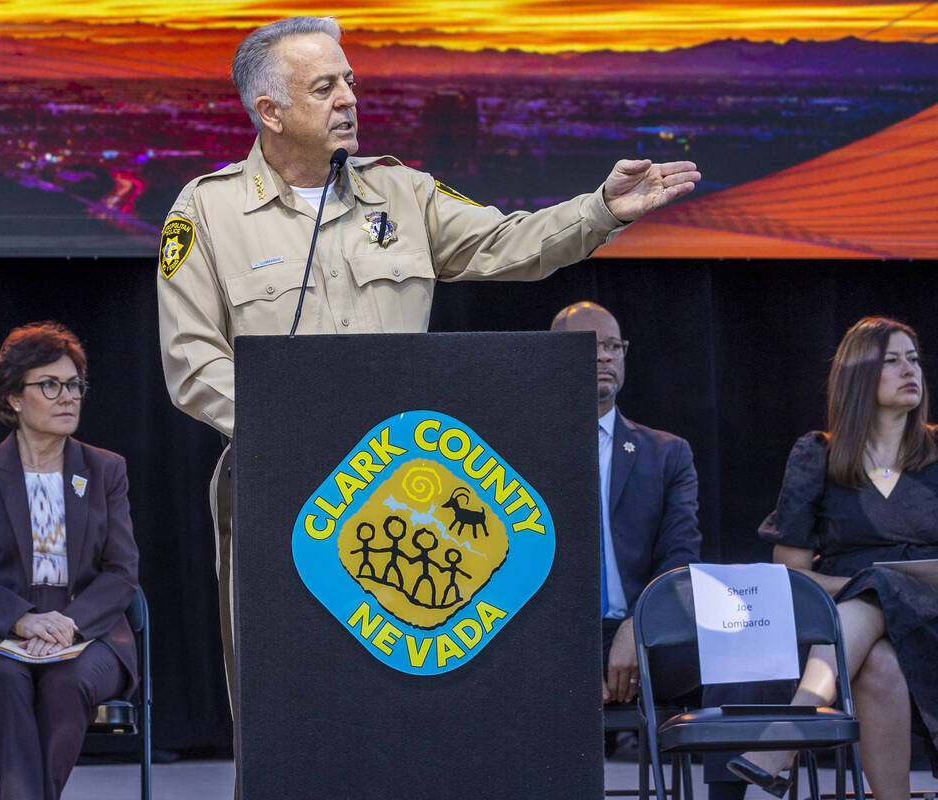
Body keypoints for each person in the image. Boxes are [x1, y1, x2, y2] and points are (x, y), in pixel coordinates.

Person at [157, 15, 702, 693]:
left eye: (349, 83)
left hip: (404, 488)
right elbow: (193, 362)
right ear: (270, 110)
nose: (349, 100)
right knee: (288, 705)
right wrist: (305, 434)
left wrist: (601, 210)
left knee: (408, 703)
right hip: (281, 487)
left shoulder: (402, 192)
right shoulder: (207, 211)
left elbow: (510, 244)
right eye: (324, 87)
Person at [728, 317, 938, 800]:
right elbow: (791, 572)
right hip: (859, 625)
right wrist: (865, 584)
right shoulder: (818, 456)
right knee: (879, 657)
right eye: (891, 360)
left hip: (933, 614)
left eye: (913, 358)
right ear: (857, 374)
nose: (911, 370)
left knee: (879, 584)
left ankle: (790, 731)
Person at [0, 321, 140, 800]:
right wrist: (23, 621)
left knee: (63, 680)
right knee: (6, 679)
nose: (67, 397)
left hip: (87, 633)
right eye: (50, 385)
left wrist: (66, 626)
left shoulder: (104, 469)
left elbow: (121, 573)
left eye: (74, 385)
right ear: (13, 397)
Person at [550, 302, 701, 704]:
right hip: (551, 639)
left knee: (736, 653)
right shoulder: (523, 451)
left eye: (613, 346)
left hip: (639, 628)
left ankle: (739, 769)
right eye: (590, 345)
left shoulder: (668, 454)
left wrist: (637, 625)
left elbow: (680, 559)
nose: (604, 355)